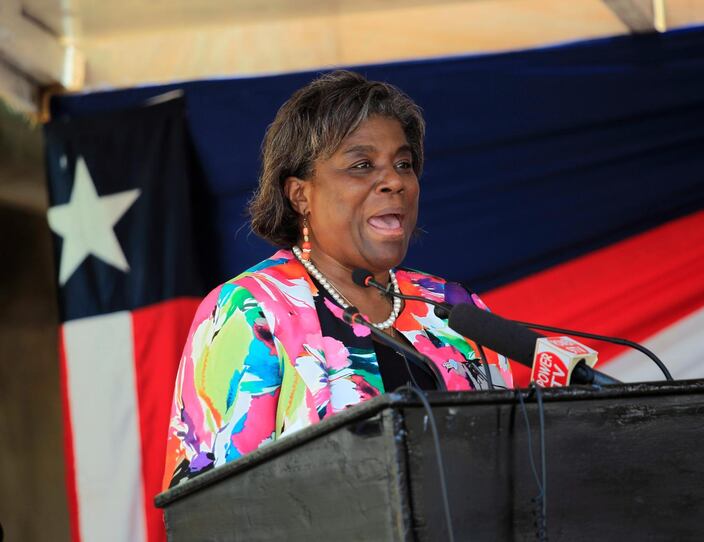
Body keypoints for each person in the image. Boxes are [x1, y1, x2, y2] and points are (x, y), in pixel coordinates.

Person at [162, 70, 513, 489]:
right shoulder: (251, 310)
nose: (395, 182)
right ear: (300, 195)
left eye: (404, 164)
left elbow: (512, 462)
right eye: (362, 165)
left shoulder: (453, 308)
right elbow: (211, 507)